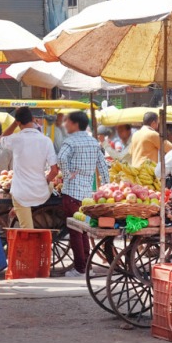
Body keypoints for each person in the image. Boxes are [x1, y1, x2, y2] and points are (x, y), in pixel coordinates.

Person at [58, 111, 110, 277]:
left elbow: (60, 158)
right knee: (85, 230)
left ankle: (80, 268)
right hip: (88, 197)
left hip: (72, 193)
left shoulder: (70, 141)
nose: (65, 125)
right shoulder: (94, 142)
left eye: (68, 122)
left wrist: (67, 174)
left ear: (75, 124)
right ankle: (87, 266)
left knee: (75, 231)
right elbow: (103, 166)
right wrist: (106, 187)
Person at [1, 107, 59, 229]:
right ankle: (18, 210)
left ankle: (18, 210)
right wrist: (45, 181)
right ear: (33, 119)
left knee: (28, 231)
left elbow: (1, 138)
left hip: (21, 193)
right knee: (50, 186)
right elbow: (54, 171)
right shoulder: (46, 140)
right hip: (41, 192)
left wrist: (14, 124)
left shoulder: (15, 139)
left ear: (19, 123)